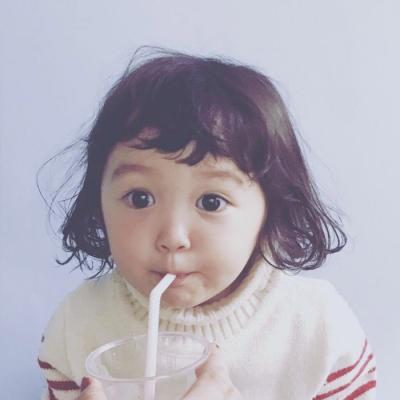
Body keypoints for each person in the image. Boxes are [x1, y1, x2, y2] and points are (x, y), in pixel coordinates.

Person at [37, 46, 377, 400]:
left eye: (211, 202)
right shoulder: (77, 327)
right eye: (140, 198)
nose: (173, 237)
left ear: (270, 212)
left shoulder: (318, 328)